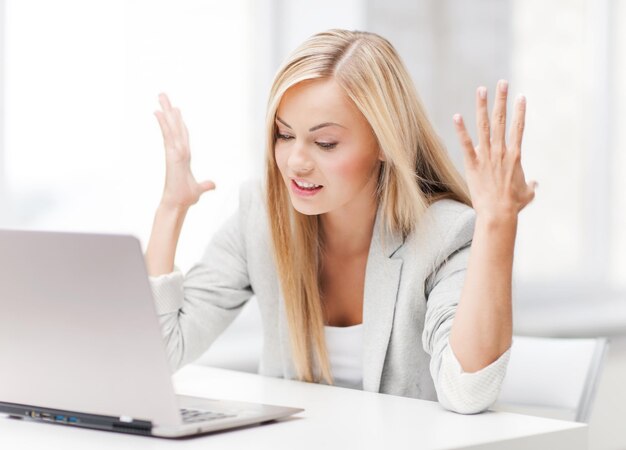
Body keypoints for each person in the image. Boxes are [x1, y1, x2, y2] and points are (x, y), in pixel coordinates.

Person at [146, 29, 536, 415]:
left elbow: (467, 392)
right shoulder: (262, 215)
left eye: (325, 143)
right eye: (284, 134)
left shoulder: (444, 235)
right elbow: (157, 352)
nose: (296, 161)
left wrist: (496, 223)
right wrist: (170, 209)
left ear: (386, 141)